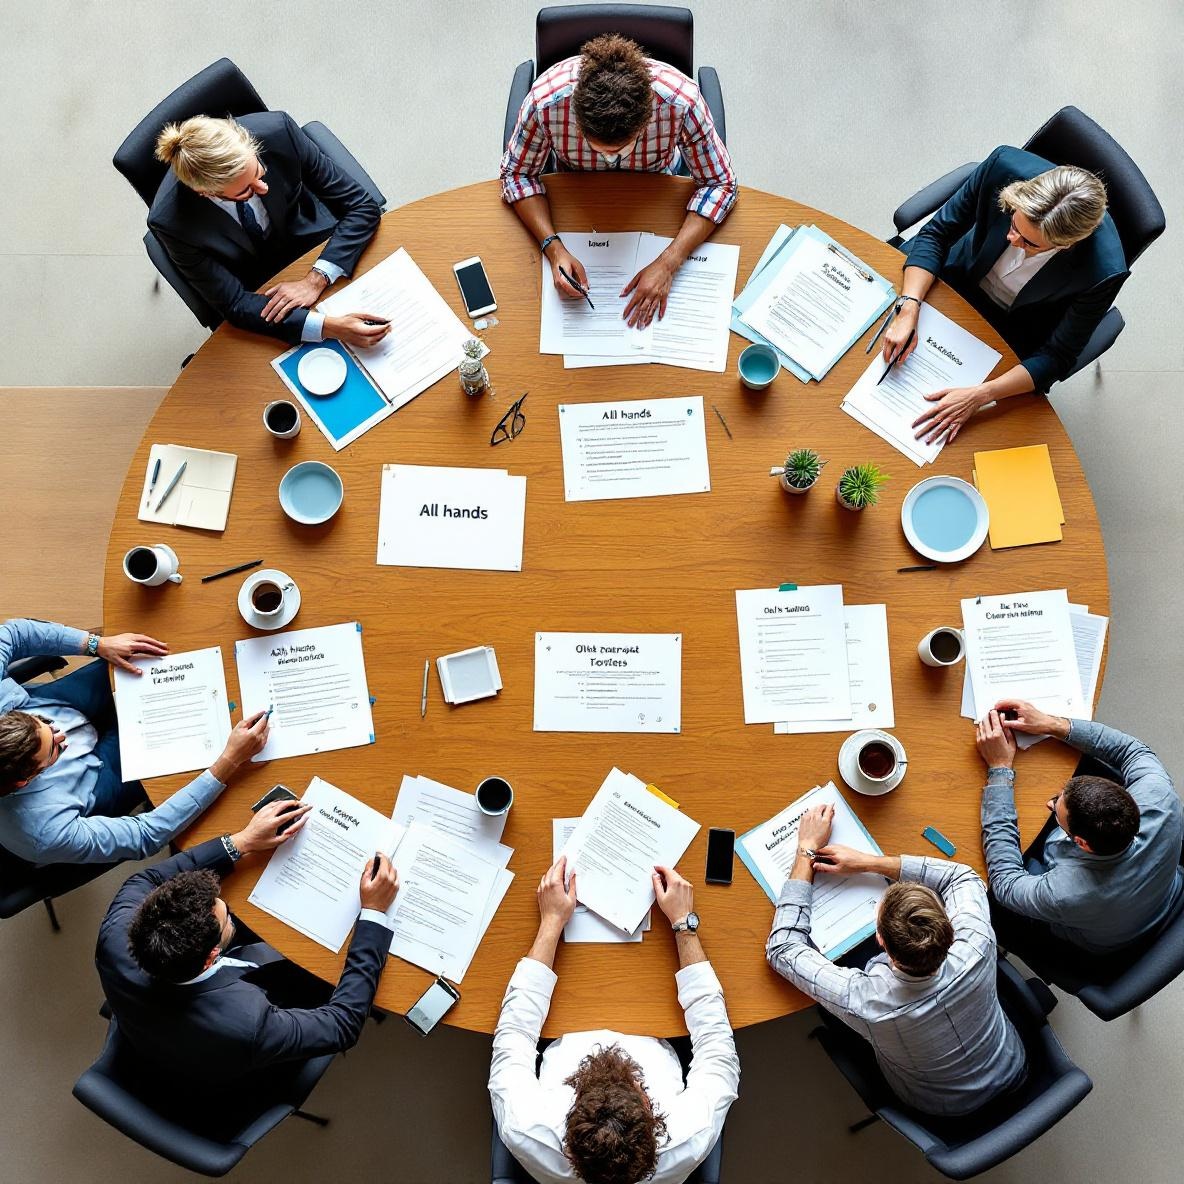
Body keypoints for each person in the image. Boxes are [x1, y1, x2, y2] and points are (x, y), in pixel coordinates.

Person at [96, 798, 398, 1089]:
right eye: (227, 917)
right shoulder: (248, 1022)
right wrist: (372, 913)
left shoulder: (116, 933)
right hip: (223, 1068)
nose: (229, 913)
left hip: (148, 1026)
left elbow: (148, 878)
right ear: (211, 956)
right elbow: (341, 1026)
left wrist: (243, 841)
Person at [489, 856, 738, 1184]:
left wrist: (551, 921)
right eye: (638, 1086)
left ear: (569, 1114)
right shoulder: (690, 1135)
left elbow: (515, 1031)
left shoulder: (526, 1127)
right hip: (660, 1022)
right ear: (652, 1111)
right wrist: (682, 922)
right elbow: (716, 1042)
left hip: (563, 1020)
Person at [766, 803, 1026, 1118]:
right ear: (948, 922)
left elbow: (782, 949)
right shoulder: (977, 940)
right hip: (1013, 1065)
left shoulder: (867, 1003)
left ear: (880, 940)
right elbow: (963, 877)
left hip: (940, 1109)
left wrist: (806, 850)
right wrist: (871, 863)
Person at [882, 146, 1126, 446]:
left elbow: (1057, 355)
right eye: (1013, 225)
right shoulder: (1002, 168)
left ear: (1067, 245)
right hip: (953, 278)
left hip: (1011, 331)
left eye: (1029, 243)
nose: (1012, 239)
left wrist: (980, 395)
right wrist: (909, 308)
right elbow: (937, 234)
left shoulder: (1103, 270)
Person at [501, 33, 737, 330]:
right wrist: (554, 248)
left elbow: (721, 184)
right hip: (574, 194)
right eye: (597, 147)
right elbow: (516, 174)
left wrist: (669, 262)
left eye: (621, 148)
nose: (609, 158)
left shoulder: (682, 102)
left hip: (657, 187)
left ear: (646, 118)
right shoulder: (544, 101)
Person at [0, 618, 267, 864]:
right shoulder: (44, 832)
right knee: (198, 738)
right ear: (24, 780)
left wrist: (97, 644)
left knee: (164, 653)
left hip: (62, 702)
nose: (61, 733)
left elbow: (12, 633)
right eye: (53, 749)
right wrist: (229, 761)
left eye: (42, 722)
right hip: (98, 775)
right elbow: (145, 835)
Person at [151, 112, 391, 348]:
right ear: (206, 193)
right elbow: (233, 302)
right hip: (260, 285)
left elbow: (362, 206)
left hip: (314, 239)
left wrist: (315, 280)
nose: (263, 187)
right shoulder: (170, 222)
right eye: (245, 191)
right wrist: (328, 328)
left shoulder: (279, 132)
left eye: (259, 171)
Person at [975, 701, 1183, 953]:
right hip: (1159, 897)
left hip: (1101, 936)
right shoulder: (1159, 796)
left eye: (1056, 808)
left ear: (1081, 842)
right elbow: (1134, 752)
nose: (1049, 803)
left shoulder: (1066, 893)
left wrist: (1000, 768)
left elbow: (1005, 883)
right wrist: (1053, 724)